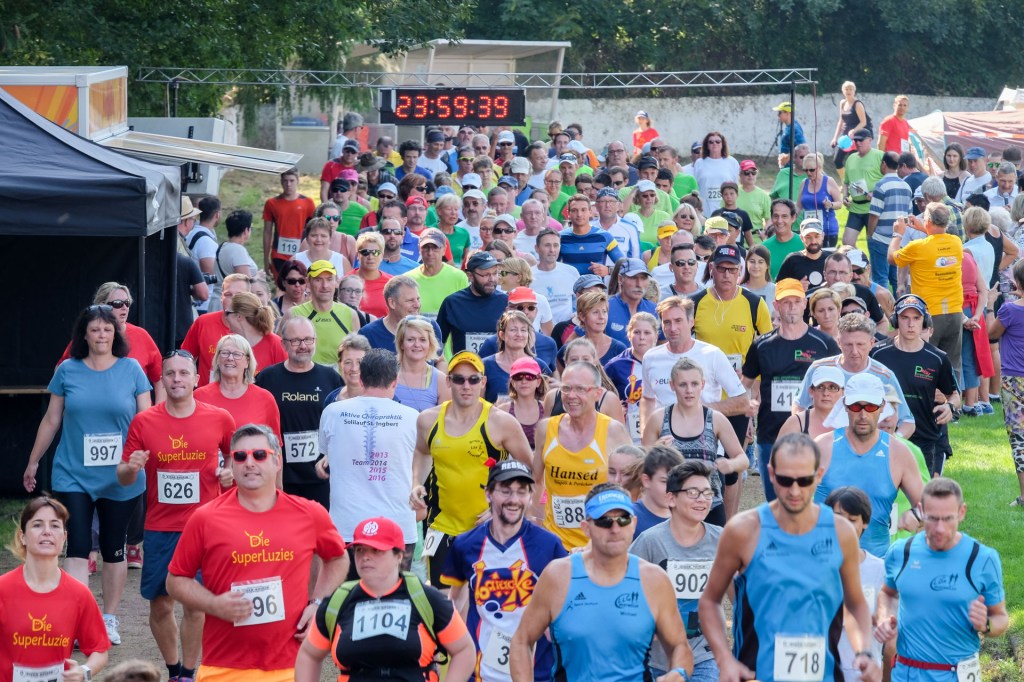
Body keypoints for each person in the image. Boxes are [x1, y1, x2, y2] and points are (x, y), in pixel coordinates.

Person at [166, 423, 349, 681]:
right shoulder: (205, 518)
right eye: (240, 456)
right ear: (232, 464)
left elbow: (338, 557)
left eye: (259, 455)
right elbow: (175, 580)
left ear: (277, 461)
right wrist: (213, 604)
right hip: (224, 667)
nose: (249, 463)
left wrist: (317, 604)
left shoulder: (310, 513)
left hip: (292, 666)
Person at [698, 433, 882, 682]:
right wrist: (724, 659)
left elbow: (856, 603)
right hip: (755, 674)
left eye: (804, 480)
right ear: (771, 474)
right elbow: (710, 601)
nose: (795, 491)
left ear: (819, 475)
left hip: (822, 675)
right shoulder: (742, 531)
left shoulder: (841, 533)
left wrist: (864, 652)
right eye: (785, 480)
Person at [24, 305, 151, 646]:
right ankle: (81, 620)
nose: (101, 335)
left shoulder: (132, 369)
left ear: (115, 334)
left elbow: (147, 419)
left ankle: (108, 618)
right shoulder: (68, 370)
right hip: (74, 473)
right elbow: (52, 419)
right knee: (78, 545)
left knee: (113, 546)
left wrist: (146, 459)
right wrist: (33, 461)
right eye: (94, 329)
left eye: (107, 329)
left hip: (121, 474)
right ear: (84, 335)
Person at [117, 351, 235, 682]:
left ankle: (187, 673)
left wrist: (229, 474)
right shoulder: (144, 421)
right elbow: (123, 476)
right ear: (163, 380)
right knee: (160, 604)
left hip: (204, 528)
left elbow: (235, 457)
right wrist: (131, 468)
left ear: (197, 379)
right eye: (170, 373)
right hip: (160, 527)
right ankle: (172, 669)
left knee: (195, 605)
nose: (177, 379)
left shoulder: (220, 418)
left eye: (184, 373)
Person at [511, 483, 694, 681]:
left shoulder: (654, 580)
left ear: (633, 523)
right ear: (586, 528)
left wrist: (678, 673)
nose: (615, 529)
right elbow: (522, 640)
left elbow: (679, 646)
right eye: (604, 521)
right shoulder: (558, 576)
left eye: (623, 519)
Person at [295, 516, 475, 682]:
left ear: (399, 556)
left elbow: (464, 649)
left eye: (376, 550)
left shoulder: (426, 599)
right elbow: (309, 654)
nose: (365, 557)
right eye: (360, 550)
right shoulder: (338, 602)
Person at [411, 351, 534, 585]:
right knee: (444, 600)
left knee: (487, 598)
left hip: (490, 527)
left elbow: (530, 469)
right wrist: (416, 482)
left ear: (483, 382)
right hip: (441, 528)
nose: (466, 386)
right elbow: (422, 452)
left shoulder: (501, 422)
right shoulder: (428, 420)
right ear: (448, 382)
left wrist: (502, 506)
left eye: (473, 379)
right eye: (459, 379)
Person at [442, 460, 568, 682]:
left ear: (531, 496)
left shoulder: (550, 546)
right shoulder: (465, 545)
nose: (514, 500)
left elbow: (565, 606)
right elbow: (454, 599)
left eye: (522, 492)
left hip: (537, 673)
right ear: (488, 494)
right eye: (506, 491)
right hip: (481, 673)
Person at [874, 478, 1007, 679]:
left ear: (961, 512)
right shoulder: (901, 552)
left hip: (955, 674)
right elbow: (887, 593)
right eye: (933, 518)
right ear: (921, 510)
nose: (940, 528)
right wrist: (884, 617)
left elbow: (1000, 618)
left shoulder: (982, 558)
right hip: (906, 672)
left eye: (947, 519)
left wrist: (986, 625)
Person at [316, 350, 419, 559]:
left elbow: (325, 453)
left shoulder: (332, 412)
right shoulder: (413, 417)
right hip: (397, 526)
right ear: (395, 381)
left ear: (361, 380)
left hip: (346, 526)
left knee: (347, 582)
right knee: (397, 582)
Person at [743, 279, 841, 490]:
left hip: (816, 435)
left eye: (796, 301)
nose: (791, 307)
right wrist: (747, 416)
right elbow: (745, 384)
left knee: (813, 496)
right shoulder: (762, 345)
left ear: (805, 304)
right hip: (771, 434)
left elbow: (842, 384)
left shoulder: (824, 344)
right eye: (785, 302)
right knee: (775, 498)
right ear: (776, 305)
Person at [630, 459, 723, 680]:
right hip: (654, 657)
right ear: (671, 498)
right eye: (692, 492)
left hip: (704, 653)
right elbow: (626, 586)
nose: (702, 499)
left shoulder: (721, 539)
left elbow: (739, 594)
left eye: (707, 493)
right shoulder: (650, 541)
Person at [812, 373, 924, 557]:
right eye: (856, 406)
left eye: (870, 407)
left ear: (882, 407)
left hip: (877, 563)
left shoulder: (899, 453)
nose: (863, 415)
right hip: (824, 560)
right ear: (845, 406)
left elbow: (929, 507)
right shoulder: (822, 447)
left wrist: (917, 515)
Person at [0, 496, 110, 682]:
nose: (47, 532)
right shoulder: (3, 589)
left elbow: (99, 650)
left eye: (55, 525)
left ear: (64, 537)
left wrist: (84, 671)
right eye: (37, 525)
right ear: (22, 536)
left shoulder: (79, 594)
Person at [533, 361, 633, 550]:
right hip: (556, 544)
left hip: (600, 546)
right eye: (566, 388)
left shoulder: (613, 431)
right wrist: (538, 524)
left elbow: (632, 488)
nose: (571, 395)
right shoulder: (546, 428)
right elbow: (536, 481)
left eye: (580, 389)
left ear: (597, 393)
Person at [642, 358, 748, 527]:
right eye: (682, 384)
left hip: (708, 505)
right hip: (671, 506)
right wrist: (655, 451)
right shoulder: (658, 419)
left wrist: (731, 464)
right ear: (672, 385)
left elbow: (743, 459)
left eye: (694, 384)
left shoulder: (715, 419)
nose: (689, 390)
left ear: (703, 385)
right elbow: (642, 464)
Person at [255, 317, 342, 507]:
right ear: (283, 344)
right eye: (295, 341)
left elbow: (341, 426)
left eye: (308, 339)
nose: (303, 346)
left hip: (321, 476)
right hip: (281, 477)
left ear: (315, 341)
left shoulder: (331, 378)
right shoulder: (267, 378)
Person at [870, 295, 959, 476]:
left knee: (922, 492)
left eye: (916, 318)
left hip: (925, 438)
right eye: (905, 318)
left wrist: (950, 406)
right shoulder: (877, 354)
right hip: (885, 435)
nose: (911, 324)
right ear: (896, 321)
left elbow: (955, 394)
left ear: (924, 322)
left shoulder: (938, 358)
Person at [795, 313, 916, 437]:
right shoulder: (819, 369)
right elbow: (799, 405)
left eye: (860, 344)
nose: (854, 351)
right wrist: (807, 439)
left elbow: (907, 421)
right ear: (839, 342)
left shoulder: (885, 376)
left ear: (871, 343)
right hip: (825, 445)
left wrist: (890, 442)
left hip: (867, 446)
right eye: (848, 345)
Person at [889, 203, 965, 383]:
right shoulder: (956, 242)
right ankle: (953, 399)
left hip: (930, 314)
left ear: (928, 221)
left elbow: (892, 257)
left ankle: (928, 399)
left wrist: (898, 234)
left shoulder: (917, 246)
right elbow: (937, 243)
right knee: (953, 365)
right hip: (955, 312)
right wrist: (924, 228)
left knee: (926, 366)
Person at [822, 487, 886, 681]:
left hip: (862, 672)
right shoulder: (815, 568)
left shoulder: (880, 570)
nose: (844, 526)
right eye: (838, 518)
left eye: (852, 520)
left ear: (865, 522)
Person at [194, 334, 282, 441]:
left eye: (237, 354)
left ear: (247, 362)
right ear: (217, 359)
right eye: (225, 353)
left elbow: (275, 446)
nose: (230, 358)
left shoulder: (265, 399)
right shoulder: (198, 397)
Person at [988, 258, 1024, 506]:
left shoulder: (1009, 310)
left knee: (1019, 437)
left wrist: (991, 305)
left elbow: (991, 334)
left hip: (1014, 380)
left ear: (1017, 282)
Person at [181, 273, 252, 387]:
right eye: (228, 294)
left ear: (249, 298)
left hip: (245, 394)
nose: (233, 299)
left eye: (239, 295)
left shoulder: (258, 329)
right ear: (221, 297)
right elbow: (184, 359)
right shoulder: (203, 323)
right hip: (206, 395)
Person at [290, 260, 361, 367]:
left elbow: (358, 355)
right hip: (304, 375)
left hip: (339, 377)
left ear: (336, 282)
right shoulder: (293, 314)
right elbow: (282, 352)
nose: (325, 285)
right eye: (318, 280)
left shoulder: (350, 315)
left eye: (329, 279)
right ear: (308, 282)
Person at [437, 251, 509, 355]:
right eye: (485, 275)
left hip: (496, 365)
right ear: (470, 276)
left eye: (495, 273)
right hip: (464, 364)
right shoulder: (453, 303)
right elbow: (437, 344)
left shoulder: (506, 302)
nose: (492, 279)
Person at [605, 312, 660, 442]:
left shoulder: (666, 362)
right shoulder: (614, 366)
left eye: (647, 333)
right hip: (628, 438)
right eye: (637, 332)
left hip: (661, 435)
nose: (642, 337)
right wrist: (612, 408)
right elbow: (599, 400)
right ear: (629, 335)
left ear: (656, 336)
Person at [482, 310, 551, 405]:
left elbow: (548, 404)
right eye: (513, 330)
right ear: (502, 335)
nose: (519, 334)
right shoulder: (485, 365)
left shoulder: (540, 365)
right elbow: (477, 404)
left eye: (523, 330)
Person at [263, 168, 317, 276]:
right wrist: (265, 259)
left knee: (299, 283)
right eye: (285, 181)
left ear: (298, 181)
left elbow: (314, 231)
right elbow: (267, 232)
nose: (288, 184)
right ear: (281, 182)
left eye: (292, 181)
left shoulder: (308, 203)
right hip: (279, 254)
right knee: (281, 284)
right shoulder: (272, 203)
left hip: (301, 253)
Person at [558, 194, 626, 276]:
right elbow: (549, 267)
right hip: (569, 284)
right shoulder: (559, 237)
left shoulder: (605, 237)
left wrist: (608, 270)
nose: (579, 214)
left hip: (596, 284)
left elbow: (626, 266)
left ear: (590, 212)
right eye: (574, 210)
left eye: (583, 210)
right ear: (569, 214)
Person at [222, 292, 286, 378]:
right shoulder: (228, 343)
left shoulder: (276, 344)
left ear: (239, 316)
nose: (225, 317)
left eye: (227, 313)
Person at [393, 315, 451, 411]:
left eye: (422, 340)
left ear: (430, 344)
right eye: (410, 339)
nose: (417, 344)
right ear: (401, 343)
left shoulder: (441, 380)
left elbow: (445, 418)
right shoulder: (387, 375)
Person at [779, 365, 845, 442]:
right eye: (820, 387)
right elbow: (780, 450)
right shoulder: (795, 423)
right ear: (811, 391)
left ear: (843, 392)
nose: (826, 393)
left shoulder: (852, 423)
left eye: (833, 388)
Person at [496, 357, 549, 449]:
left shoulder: (547, 408)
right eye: (518, 377)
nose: (524, 381)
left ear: (538, 382)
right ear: (512, 382)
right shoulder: (502, 411)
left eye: (529, 377)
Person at [532, 229, 581, 324]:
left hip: (567, 329)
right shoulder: (529, 275)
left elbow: (580, 301)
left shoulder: (571, 272)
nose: (552, 250)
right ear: (536, 248)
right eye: (547, 245)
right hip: (539, 330)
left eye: (556, 245)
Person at [830, 81, 872, 183]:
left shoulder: (857, 104)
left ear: (854, 91)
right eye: (846, 89)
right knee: (837, 160)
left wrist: (854, 130)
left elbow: (863, 122)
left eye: (850, 89)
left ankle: (855, 182)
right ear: (843, 91)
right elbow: (841, 121)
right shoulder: (842, 103)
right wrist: (835, 138)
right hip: (845, 136)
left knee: (852, 161)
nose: (848, 91)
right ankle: (845, 181)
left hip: (856, 136)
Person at [799, 152, 843, 248]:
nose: (808, 173)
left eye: (812, 170)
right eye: (805, 170)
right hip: (809, 231)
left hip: (827, 231)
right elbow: (798, 207)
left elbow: (839, 203)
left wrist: (830, 204)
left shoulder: (829, 181)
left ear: (819, 168)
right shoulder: (804, 183)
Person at [693, 131, 739, 215]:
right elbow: (696, 185)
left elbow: (736, 185)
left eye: (718, 141)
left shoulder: (732, 162)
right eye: (711, 142)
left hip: (726, 209)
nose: (714, 144)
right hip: (705, 209)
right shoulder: (699, 163)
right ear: (707, 145)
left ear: (723, 144)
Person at [349, 231, 392, 319]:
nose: (370, 257)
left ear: (382, 256)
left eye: (376, 252)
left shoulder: (391, 283)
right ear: (357, 255)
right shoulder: (346, 282)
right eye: (365, 252)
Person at [777, 217, 828, 288]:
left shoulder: (830, 259)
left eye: (817, 236)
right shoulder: (792, 260)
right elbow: (778, 287)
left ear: (822, 236)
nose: (813, 241)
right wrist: (796, 287)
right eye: (808, 237)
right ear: (801, 238)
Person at [325, 334, 372, 404]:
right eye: (348, 362)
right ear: (340, 364)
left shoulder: (381, 399)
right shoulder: (331, 399)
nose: (354, 368)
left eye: (359, 362)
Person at [741, 245, 775, 314]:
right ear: (746, 263)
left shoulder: (776, 290)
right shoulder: (739, 290)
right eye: (752, 261)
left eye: (760, 262)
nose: (756, 266)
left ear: (767, 265)